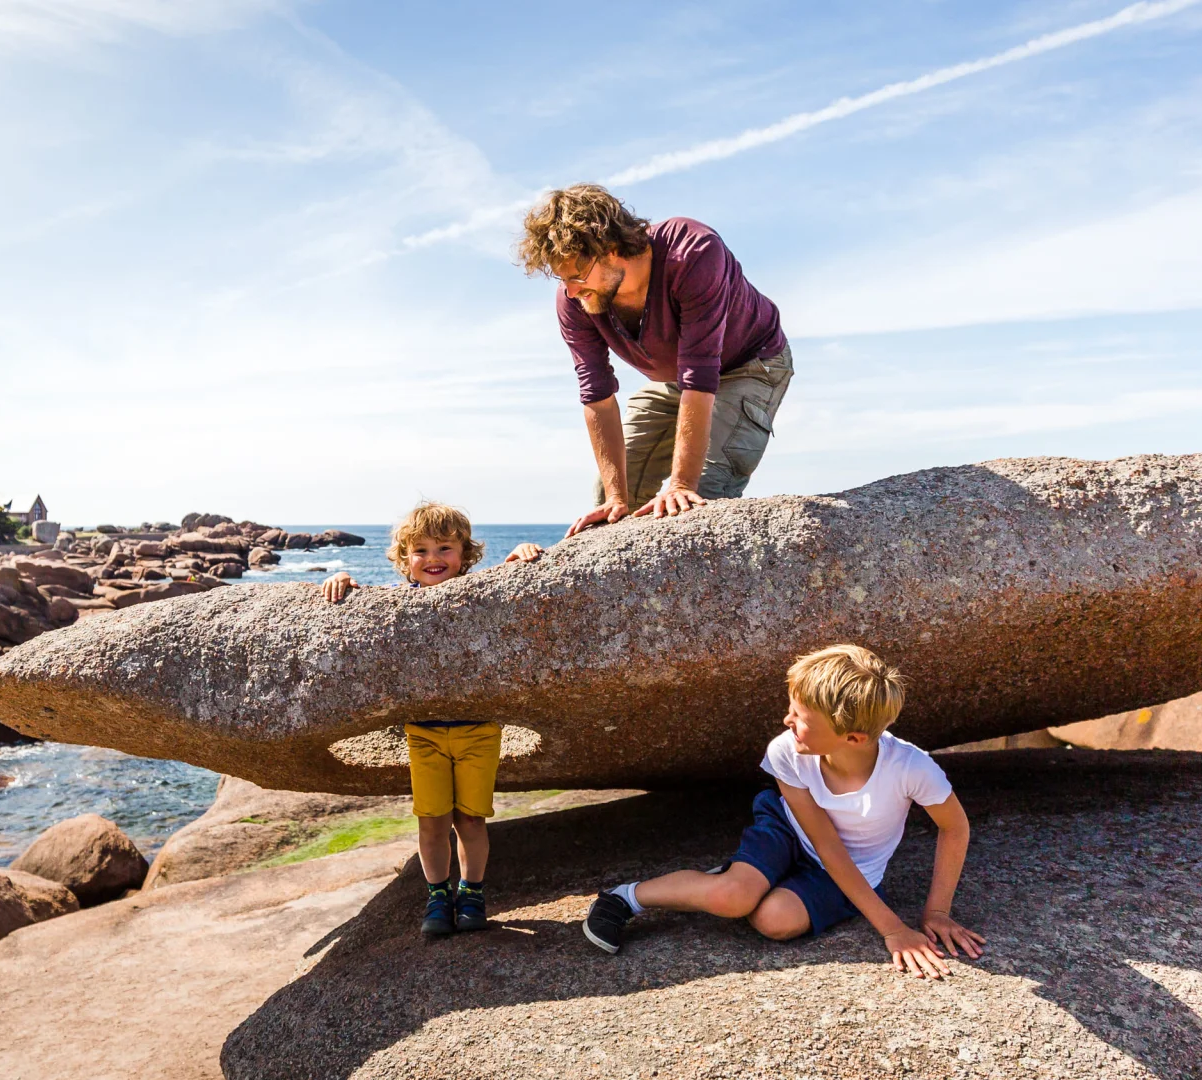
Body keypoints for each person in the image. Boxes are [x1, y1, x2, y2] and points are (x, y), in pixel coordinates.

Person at [580, 644, 984, 979]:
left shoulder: (910, 768)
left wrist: (937, 912)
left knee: (774, 920)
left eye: (801, 719)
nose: (786, 720)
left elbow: (955, 828)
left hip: (849, 868)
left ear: (853, 737)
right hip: (789, 829)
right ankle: (624, 898)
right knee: (732, 898)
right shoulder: (787, 750)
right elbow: (824, 841)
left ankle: (753, 878)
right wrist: (892, 928)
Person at [518, 184, 793, 538]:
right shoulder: (574, 300)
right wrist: (616, 497)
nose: (570, 290)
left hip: (751, 365)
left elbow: (700, 373)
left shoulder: (692, 251)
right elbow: (596, 393)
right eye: (562, 278)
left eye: (577, 275)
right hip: (677, 377)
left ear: (612, 249)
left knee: (697, 496)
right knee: (611, 503)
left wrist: (680, 483)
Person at [318, 502, 542, 937]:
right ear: (404, 560)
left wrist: (523, 551)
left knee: (471, 820)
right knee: (432, 820)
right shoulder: (401, 602)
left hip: (478, 733)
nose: (434, 558)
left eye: (445, 547)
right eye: (420, 550)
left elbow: (510, 582)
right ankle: (438, 894)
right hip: (424, 736)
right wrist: (342, 578)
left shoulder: (476, 592)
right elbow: (365, 603)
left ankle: (472, 891)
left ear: (466, 554)